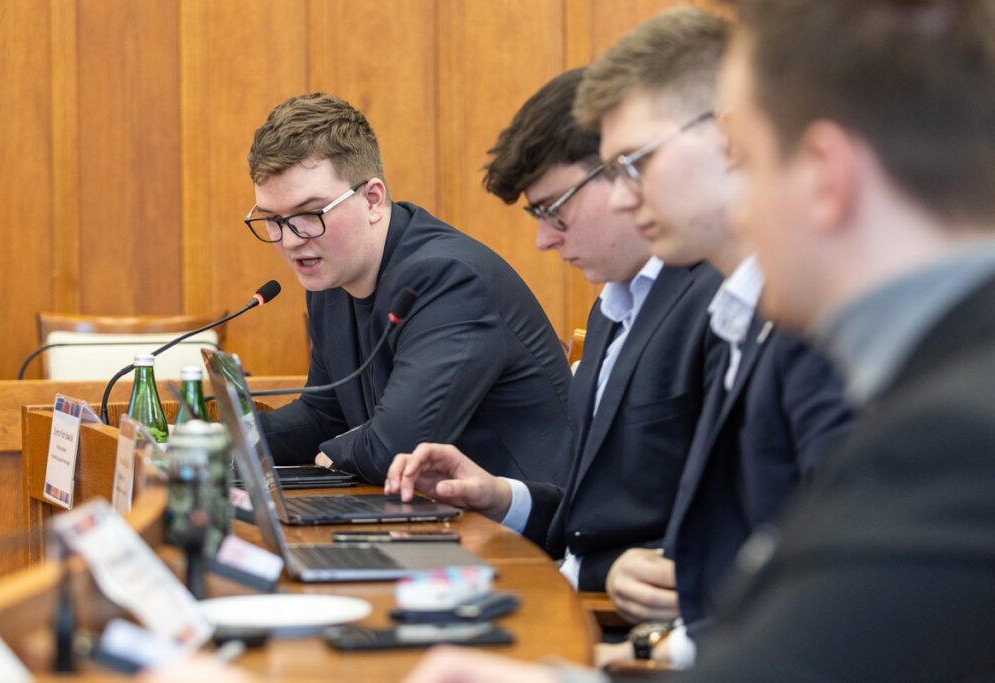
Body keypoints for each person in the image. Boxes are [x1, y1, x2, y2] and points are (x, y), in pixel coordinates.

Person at [401, 0, 995, 681]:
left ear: (826, 175)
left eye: (745, 156)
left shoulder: (950, 431)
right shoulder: (922, 372)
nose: (739, 201)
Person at [571, 8, 851, 665]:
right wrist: (661, 652)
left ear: (730, 137)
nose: (620, 199)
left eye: (636, 162)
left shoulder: (814, 324)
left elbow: (839, 599)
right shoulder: (741, 314)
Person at [431, 67, 723, 593]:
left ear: (623, 174)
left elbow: (719, 526)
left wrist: (605, 571)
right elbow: (589, 521)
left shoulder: (715, 301)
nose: (544, 239)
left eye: (555, 210)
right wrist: (502, 497)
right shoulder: (610, 308)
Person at [248, 93, 573, 486]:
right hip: (426, 508)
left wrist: (333, 452)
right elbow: (324, 414)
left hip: (519, 519)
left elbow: (396, 448)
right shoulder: (330, 276)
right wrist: (229, 441)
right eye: (273, 219)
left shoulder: (450, 280)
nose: (290, 240)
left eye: (310, 214)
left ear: (372, 200)